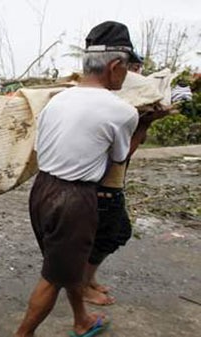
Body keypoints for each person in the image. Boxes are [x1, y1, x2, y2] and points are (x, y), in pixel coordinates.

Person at [14, 21, 140, 337]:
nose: (127, 76)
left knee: (65, 264)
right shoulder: (121, 111)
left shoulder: (56, 101)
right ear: (115, 66)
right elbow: (118, 160)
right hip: (74, 199)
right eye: (127, 69)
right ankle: (22, 334)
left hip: (41, 191)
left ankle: (81, 319)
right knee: (54, 276)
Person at [83, 57, 170, 306]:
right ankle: (82, 285)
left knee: (106, 234)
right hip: (104, 187)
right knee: (112, 234)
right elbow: (121, 155)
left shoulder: (112, 106)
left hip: (105, 185)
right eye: (131, 68)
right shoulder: (114, 109)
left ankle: (88, 280)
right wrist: (145, 124)